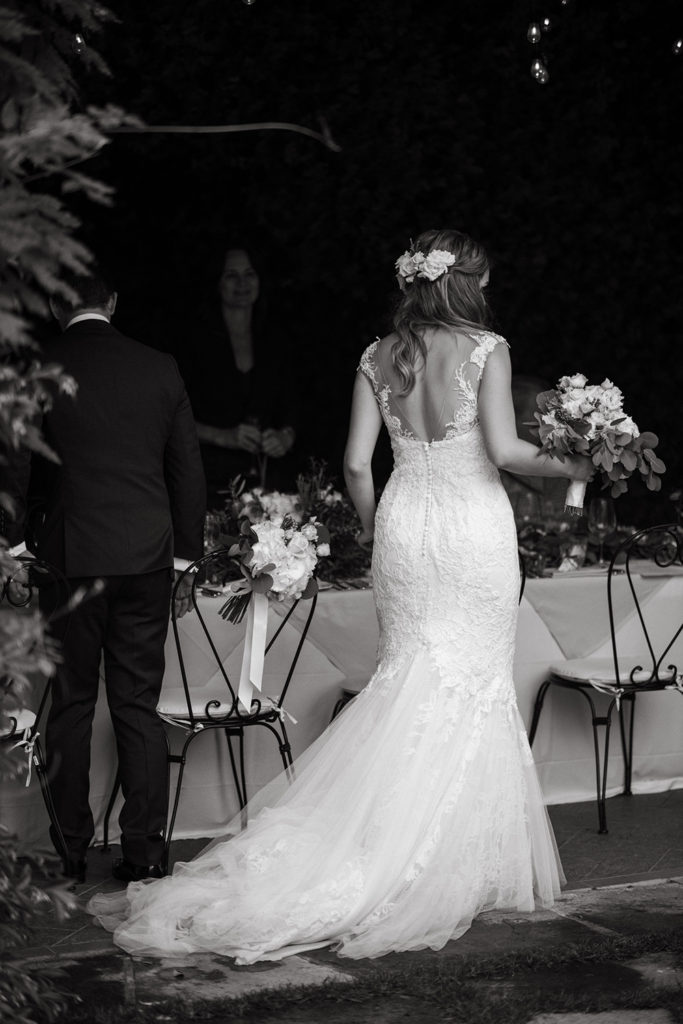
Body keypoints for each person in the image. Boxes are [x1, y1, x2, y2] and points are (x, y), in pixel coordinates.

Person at [87, 229, 592, 962]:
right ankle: (439, 861)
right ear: (463, 282)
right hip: (471, 530)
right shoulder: (487, 349)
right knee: (473, 680)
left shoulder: (375, 356)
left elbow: (358, 465)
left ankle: (387, 842)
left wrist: (376, 529)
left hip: (403, 525)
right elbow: (507, 451)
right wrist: (575, 462)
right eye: (483, 278)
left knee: (406, 675)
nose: (488, 289)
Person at [19, 269, 206, 884]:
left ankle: (70, 851)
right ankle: (146, 851)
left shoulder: (39, 366)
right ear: (114, 302)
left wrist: (15, 544)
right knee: (136, 704)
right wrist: (184, 558)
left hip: (69, 558)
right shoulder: (159, 366)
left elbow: (13, 463)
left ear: (55, 303)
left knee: (72, 704)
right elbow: (187, 470)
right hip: (147, 558)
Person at [182, 244, 298, 502]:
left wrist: (285, 437)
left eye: (249, 274)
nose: (242, 283)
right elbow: (171, 415)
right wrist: (223, 436)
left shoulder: (276, 338)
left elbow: (294, 404)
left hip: (271, 485)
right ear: (217, 282)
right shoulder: (193, 341)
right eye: (231, 275)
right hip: (209, 481)